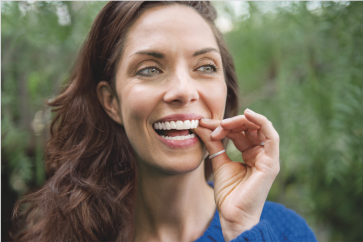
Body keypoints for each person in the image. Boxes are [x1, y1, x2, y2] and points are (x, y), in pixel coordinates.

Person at [13, 2, 317, 242]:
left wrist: (242, 230)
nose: (184, 91)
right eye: (149, 69)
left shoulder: (286, 232)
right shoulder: (65, 235)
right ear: (111, 102)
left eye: (206, 67)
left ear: (225, 93)